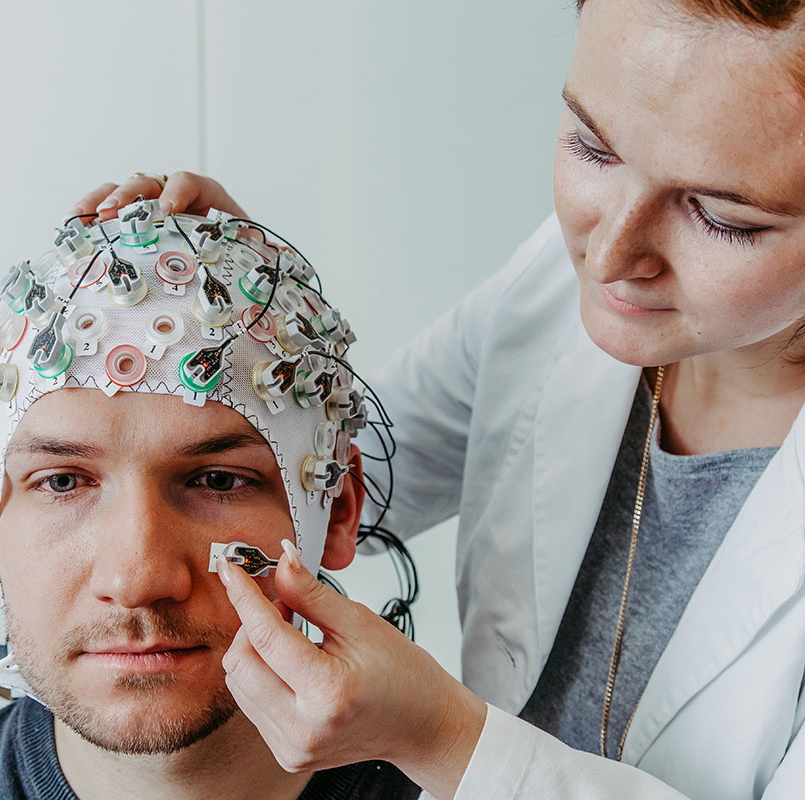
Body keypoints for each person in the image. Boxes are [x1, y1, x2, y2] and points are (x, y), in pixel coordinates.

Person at [67, 0, 805, 797]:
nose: (610, 253)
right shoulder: (554, 292)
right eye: (594, 147)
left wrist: (444, 740)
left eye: (722, 218)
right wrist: (254, 342)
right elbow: (340, 483)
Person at [0, 204, 421, 799]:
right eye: (64, 482)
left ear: (338, 515)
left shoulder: (479, 776)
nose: (138, 580)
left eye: (218, 481)